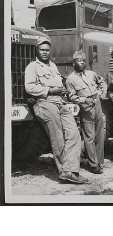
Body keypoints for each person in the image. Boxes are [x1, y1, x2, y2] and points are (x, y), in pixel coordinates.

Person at [24, 36, 88, 184]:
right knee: (58, 138)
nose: (45, 52)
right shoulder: (32, 67)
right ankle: (66, 172)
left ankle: (71, 170)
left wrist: (63, 90)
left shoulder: (53, 66)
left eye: (47, 50)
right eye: (42, 50)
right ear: (37, 50)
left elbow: (60, 84)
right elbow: (30, 87)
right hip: (45, 103)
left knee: (74, 134)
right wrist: (51, 90)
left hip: (61, 103)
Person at [66, 50, 106, 174]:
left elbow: (102, 82)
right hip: (86, 108)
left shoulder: (91, 74)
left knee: (100, 135)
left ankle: (100, 162)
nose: (81, 63)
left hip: (97, 105)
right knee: (89, 137)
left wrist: (100, 94)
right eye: (78, 61)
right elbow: (71, 96)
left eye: (83, 60)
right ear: (74, 63)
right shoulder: (70, 79)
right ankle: (93, 164)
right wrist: (82, 100)